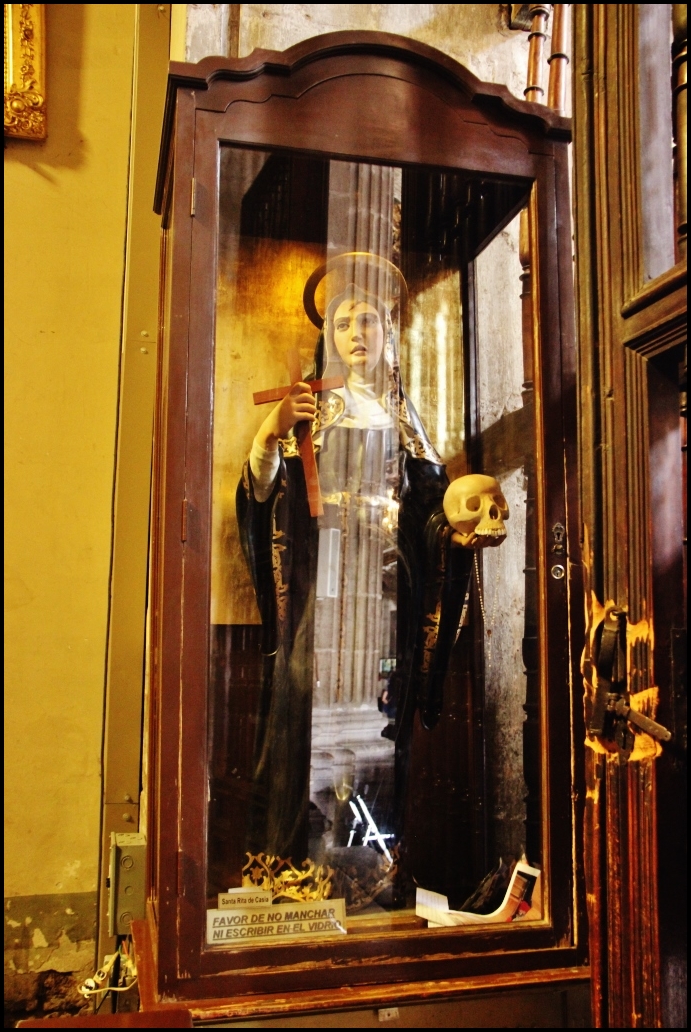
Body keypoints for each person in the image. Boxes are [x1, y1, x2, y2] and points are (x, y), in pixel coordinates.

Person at [237, 254, 472, 875]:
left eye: (367, 320)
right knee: (302, 699)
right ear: (330, 339)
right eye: (343, 325)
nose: (356, 334)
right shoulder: (312, 410)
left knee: (381, 712)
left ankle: (374, 856)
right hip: (327, 589)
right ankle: (290, 860)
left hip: (388, 592)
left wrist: (459, 527)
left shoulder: (404, 417)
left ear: (387, 331)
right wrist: (269, 433)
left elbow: (431, 510)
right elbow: (263, 499)